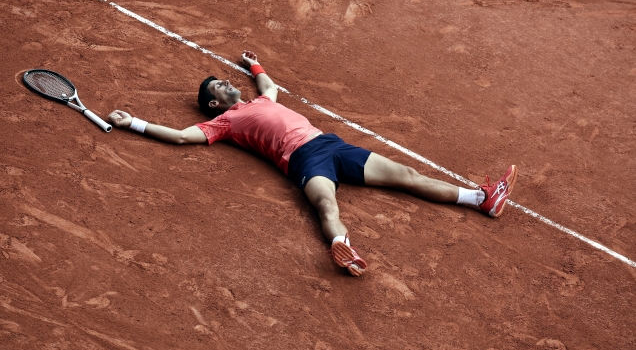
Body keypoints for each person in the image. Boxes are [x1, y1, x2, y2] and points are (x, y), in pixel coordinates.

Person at [108, 50, 517, 276]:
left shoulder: (259, 100)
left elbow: (270, 86)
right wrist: (135, 124)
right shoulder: (223, 123)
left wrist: (255, 67)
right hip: (303, 160)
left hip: (332, 146)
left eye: (226, 79)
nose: (228, 84)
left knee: (406, 176)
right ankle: (344, 249)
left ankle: (479, 198)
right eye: (221, 86)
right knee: (326, 206)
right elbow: (182, 136)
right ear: (214, 102)